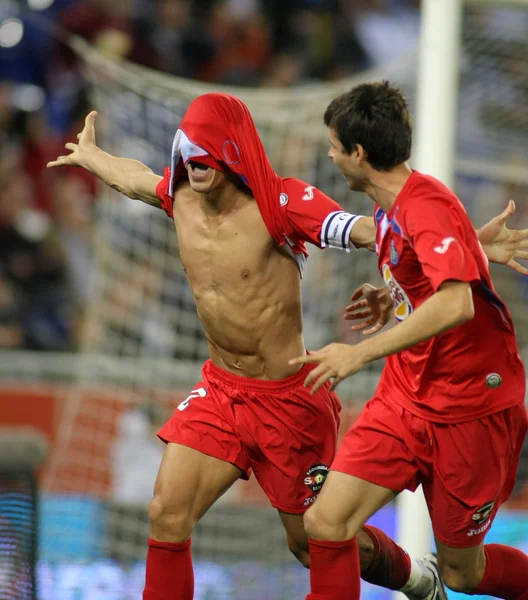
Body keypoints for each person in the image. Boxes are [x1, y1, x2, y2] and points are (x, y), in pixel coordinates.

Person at [47, 94, 527, 600]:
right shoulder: (178, 196)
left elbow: (375, 231)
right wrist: (93, 157)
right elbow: (137, 178)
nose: (196, 168)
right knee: (167, 511)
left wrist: (466, 244)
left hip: (290, 402)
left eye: (207, 157)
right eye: (188, 156)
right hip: (222, 392)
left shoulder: (284, 204)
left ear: (232, 153)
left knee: (315, 540)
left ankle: (413, 578)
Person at [290, 81, 528, 600]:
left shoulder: (426, 206)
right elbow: (429, 273)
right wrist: (393, 293)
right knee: (325, 524)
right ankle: (421, 582)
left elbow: (456, 302)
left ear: (358, 153)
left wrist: (356, 352)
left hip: (471, 409)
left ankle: (443, 578)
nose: (330, 154)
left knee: (465, 572)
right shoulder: (390, 204)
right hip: (405, 398)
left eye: (334, 145)